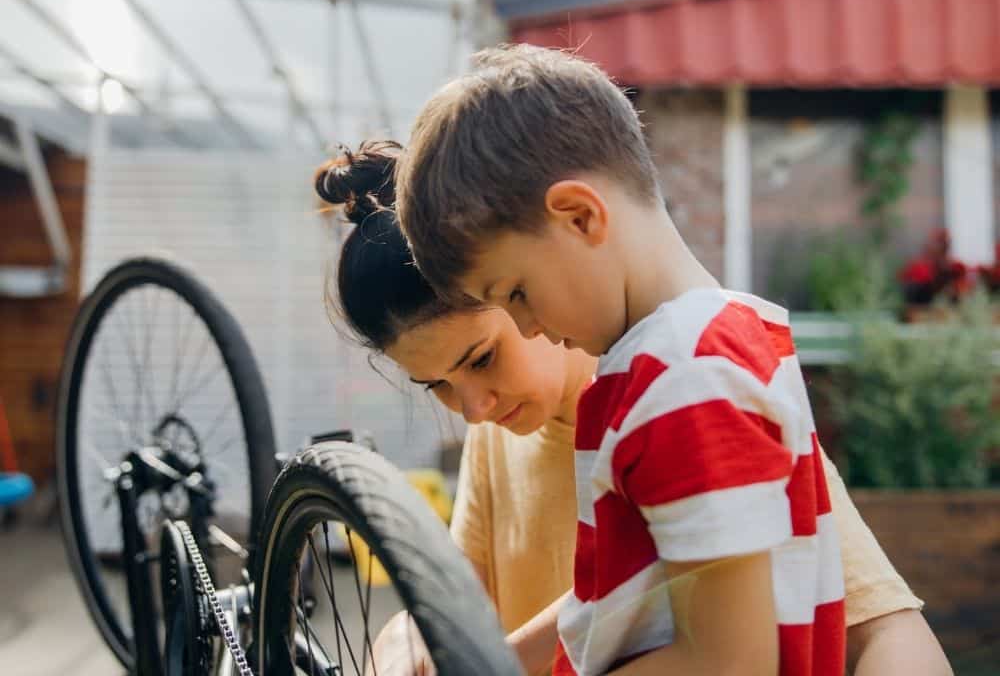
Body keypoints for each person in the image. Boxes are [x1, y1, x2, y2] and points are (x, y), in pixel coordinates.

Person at [314, 139, 952, 676]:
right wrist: (405, 641)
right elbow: (457, 608)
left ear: (512, 290)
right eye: (438, 387)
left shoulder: (693, 402)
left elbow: (887, 629)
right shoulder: (497, 432)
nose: (472, 408)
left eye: (481, 359)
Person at [393, 46, 884, 674]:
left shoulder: (685, 380)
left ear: (579, 215)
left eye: (516, 292)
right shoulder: (711, 342)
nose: (525, 324)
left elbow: (730, 663)